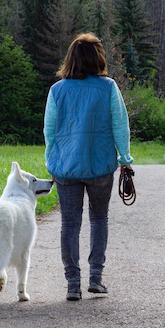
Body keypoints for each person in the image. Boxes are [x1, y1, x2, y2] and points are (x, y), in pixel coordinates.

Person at [43, 33, 134, 301]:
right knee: (99, 219)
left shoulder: (57, 90)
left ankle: (73, 284)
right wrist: (125, 160)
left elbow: (50, 131)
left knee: (69, 224)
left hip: (66, 167)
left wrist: (52, 160)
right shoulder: (108, 87)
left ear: (70, 58)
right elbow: (120, 126)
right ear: (98, 58)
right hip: (100, 166)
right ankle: (96, 278)